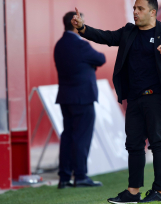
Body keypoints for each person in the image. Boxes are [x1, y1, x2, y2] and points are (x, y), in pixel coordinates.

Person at [71, 0, 161, 203]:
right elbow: (106, 37)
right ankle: (133, 192)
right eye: (134, 8)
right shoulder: (129, 32)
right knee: (134, 145)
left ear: (152, 12)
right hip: (135, 99)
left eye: (140, 9)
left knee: (157, 144)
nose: (135, 12)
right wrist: (83, 28)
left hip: (157, 98)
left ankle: (159, 192)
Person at [54, 11, 106, 189]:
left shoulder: (59, 45)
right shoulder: (80, 45)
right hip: (83, 98)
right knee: (81, 138)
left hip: (65, 98)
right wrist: (90, 65)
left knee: (68, 137)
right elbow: (101, 58)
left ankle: (64, 177)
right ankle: (81, 176)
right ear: (76, 23)